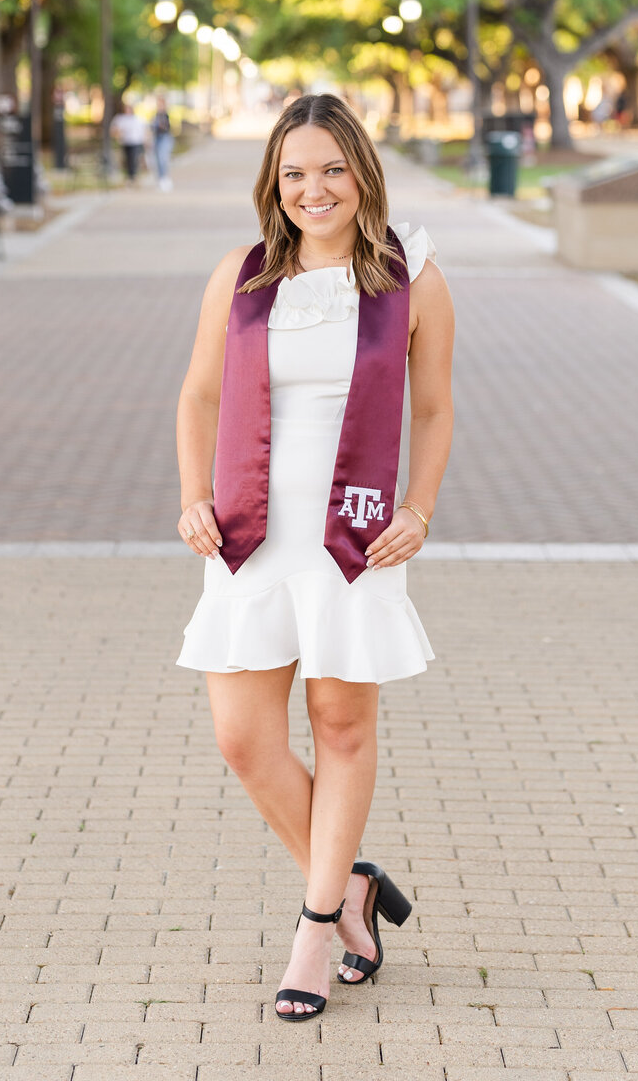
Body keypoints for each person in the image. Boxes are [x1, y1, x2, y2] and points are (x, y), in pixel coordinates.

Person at [175, 94, 455, 1022]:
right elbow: (200, 399)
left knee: (340, 727)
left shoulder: (409, 276)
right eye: (295, 173)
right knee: (243, 738)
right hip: (252, 531)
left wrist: (420, 508)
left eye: (331, 168)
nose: (314, 189)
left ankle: (316, 922)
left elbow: (434, 408)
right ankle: (355, 885)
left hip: (355, 533)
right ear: (275, 183)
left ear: (362, 172)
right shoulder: (244, 274)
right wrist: (190, 498)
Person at [110, 97, 147, 182]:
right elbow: (114, 130)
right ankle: (130, 176)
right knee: (126, 159)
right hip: (125, 142)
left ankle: (133, 176)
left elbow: (143, 131)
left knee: (133, 159)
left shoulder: (137, 119)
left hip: (135, 142)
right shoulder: (120, 119)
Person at [152, 92, 175, 192]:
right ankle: (161, 179)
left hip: (164, 138)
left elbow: (166, 127)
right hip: (157, 138)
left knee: (163, 159)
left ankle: (164, 178)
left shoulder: (165, 115)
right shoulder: (156, 115)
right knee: (157, 160)